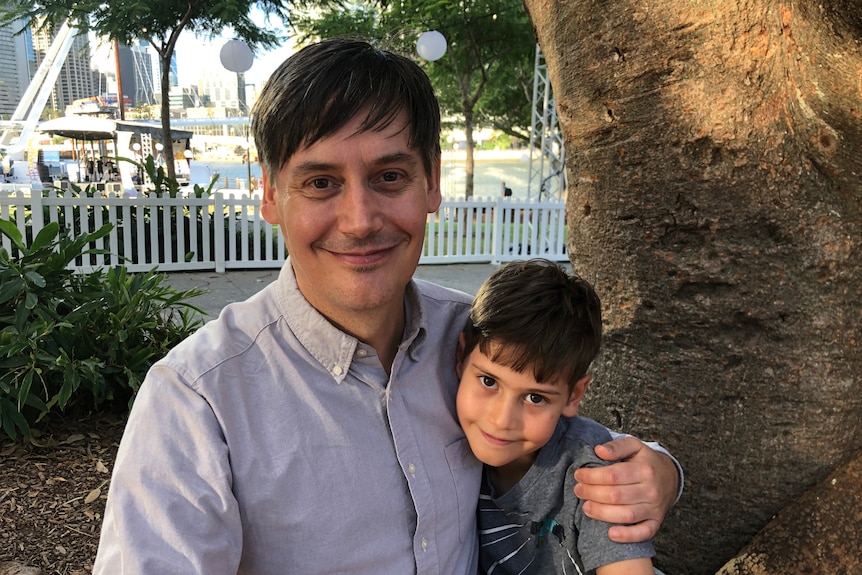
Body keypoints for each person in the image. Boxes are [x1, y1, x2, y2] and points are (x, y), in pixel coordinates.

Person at [93, 38, 680, 574]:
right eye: (321, 182)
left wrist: (657, 471)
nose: (360, 221)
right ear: (271, 195)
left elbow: (564, 433)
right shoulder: (198, 401)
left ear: (431, 183)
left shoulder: (474, 342)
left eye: (389, 176)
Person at [457, 259, 655, 574]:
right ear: (460, 357)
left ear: (574, 395)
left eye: (535, 397)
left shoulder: (589, 473)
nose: (501, 419)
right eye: (489, 381)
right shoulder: (441, 433)